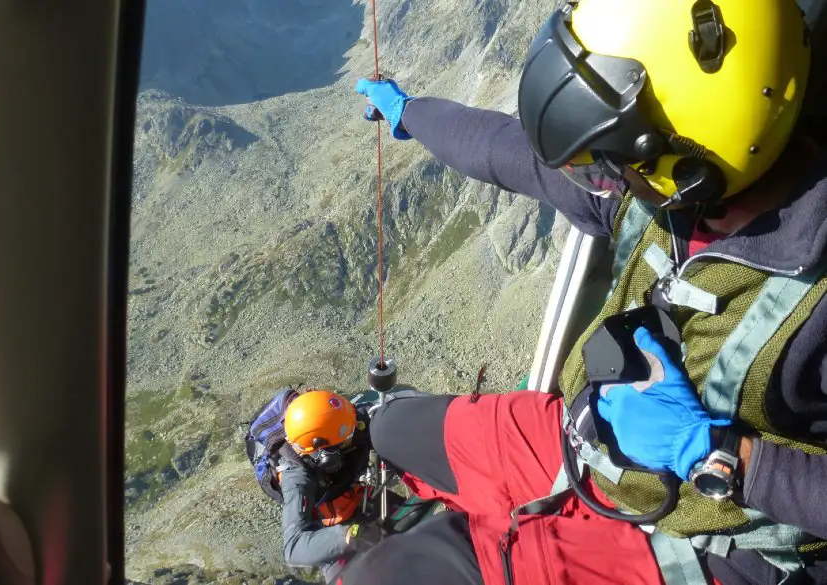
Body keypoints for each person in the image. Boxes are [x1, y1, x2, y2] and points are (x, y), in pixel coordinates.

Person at [343, 0, 827, 584]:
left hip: (717, 539)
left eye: (608, 157)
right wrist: (410, 114)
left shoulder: (815, 291)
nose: (599, 178)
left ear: (684, 143)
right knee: (390, 428)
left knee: (391, 574)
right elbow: (502, 151)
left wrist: (722, 454)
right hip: (589, 443)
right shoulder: (658, 190)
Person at [275, 389, 387, 583]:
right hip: (331, 527)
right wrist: (348, 536)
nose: (354, 431)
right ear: (324, 454)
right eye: (346, 439)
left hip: (358, 497)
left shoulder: (342, 420)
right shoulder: (296, 479)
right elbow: (293, 547)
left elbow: (362, 419)